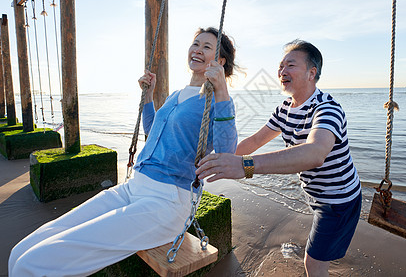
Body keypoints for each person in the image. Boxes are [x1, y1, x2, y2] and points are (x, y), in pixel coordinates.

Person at [8, 27, 239, 277]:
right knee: (20, 251)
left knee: (28, 265)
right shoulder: (176, 95)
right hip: (133, 188)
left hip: (166, 203)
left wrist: (222, 89)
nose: (197, 50)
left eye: (207, 47)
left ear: (221, 61)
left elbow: (227, 154)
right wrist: (149, 96)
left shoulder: (217, 101)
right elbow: (154, 132)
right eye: (196, 44)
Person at [196, 40, 361, 277]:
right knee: (317, 258)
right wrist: (215, 161)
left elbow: (315, 153)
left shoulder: (327, 109)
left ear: (311, 73)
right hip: (318, 195)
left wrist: (245, 166)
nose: (282, 72)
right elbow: (254, 142)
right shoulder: (285, 108)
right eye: (280, 66)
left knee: (313, 264)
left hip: (338, 200)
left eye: (290, 65)